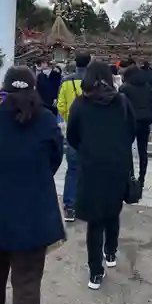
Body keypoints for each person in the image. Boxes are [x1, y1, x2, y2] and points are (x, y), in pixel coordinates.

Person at [0, 66, 65, 304]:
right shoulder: (47, 120)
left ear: (4, 90)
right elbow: (55, 159)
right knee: (27, 285)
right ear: (34, 89)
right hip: (33, 212)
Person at [67, 61, 135, 290]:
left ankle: (95, 272)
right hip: (116, 166)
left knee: (94, 221)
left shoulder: (80, 104)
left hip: (91, 166)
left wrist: (88, 148)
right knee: (112, 211)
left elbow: (72, 136)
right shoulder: (122, 102)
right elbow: (131, 131)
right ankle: (111, 252)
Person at [57, 52, 91, 222]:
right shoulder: (95, 81)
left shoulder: (66, 80)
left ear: (75, 63)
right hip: (91, 131)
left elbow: (61, 104)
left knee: (72, 169)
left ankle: (69, 207)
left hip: (73, 130)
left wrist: (68, 118)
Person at [120, 65, 152, 189]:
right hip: (145, 121)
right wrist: (151, 119)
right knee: (143, 151)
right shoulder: (147, 88)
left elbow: (121, 106)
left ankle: (131, 176)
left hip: (129, 123)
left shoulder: (125, 89)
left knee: (127, 150)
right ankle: (142, 178)